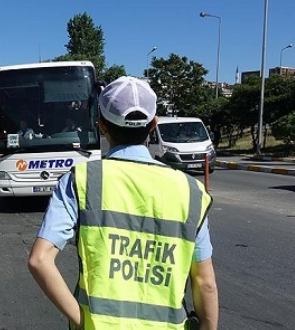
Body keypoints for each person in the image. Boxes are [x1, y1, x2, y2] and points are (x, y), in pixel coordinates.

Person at [28, 76, 219, 330]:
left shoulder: (81, 180)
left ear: (101, 125)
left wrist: (85, 322)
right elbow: (205, 283)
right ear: (154, 125)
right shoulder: (191, 190)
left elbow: (40, 260)